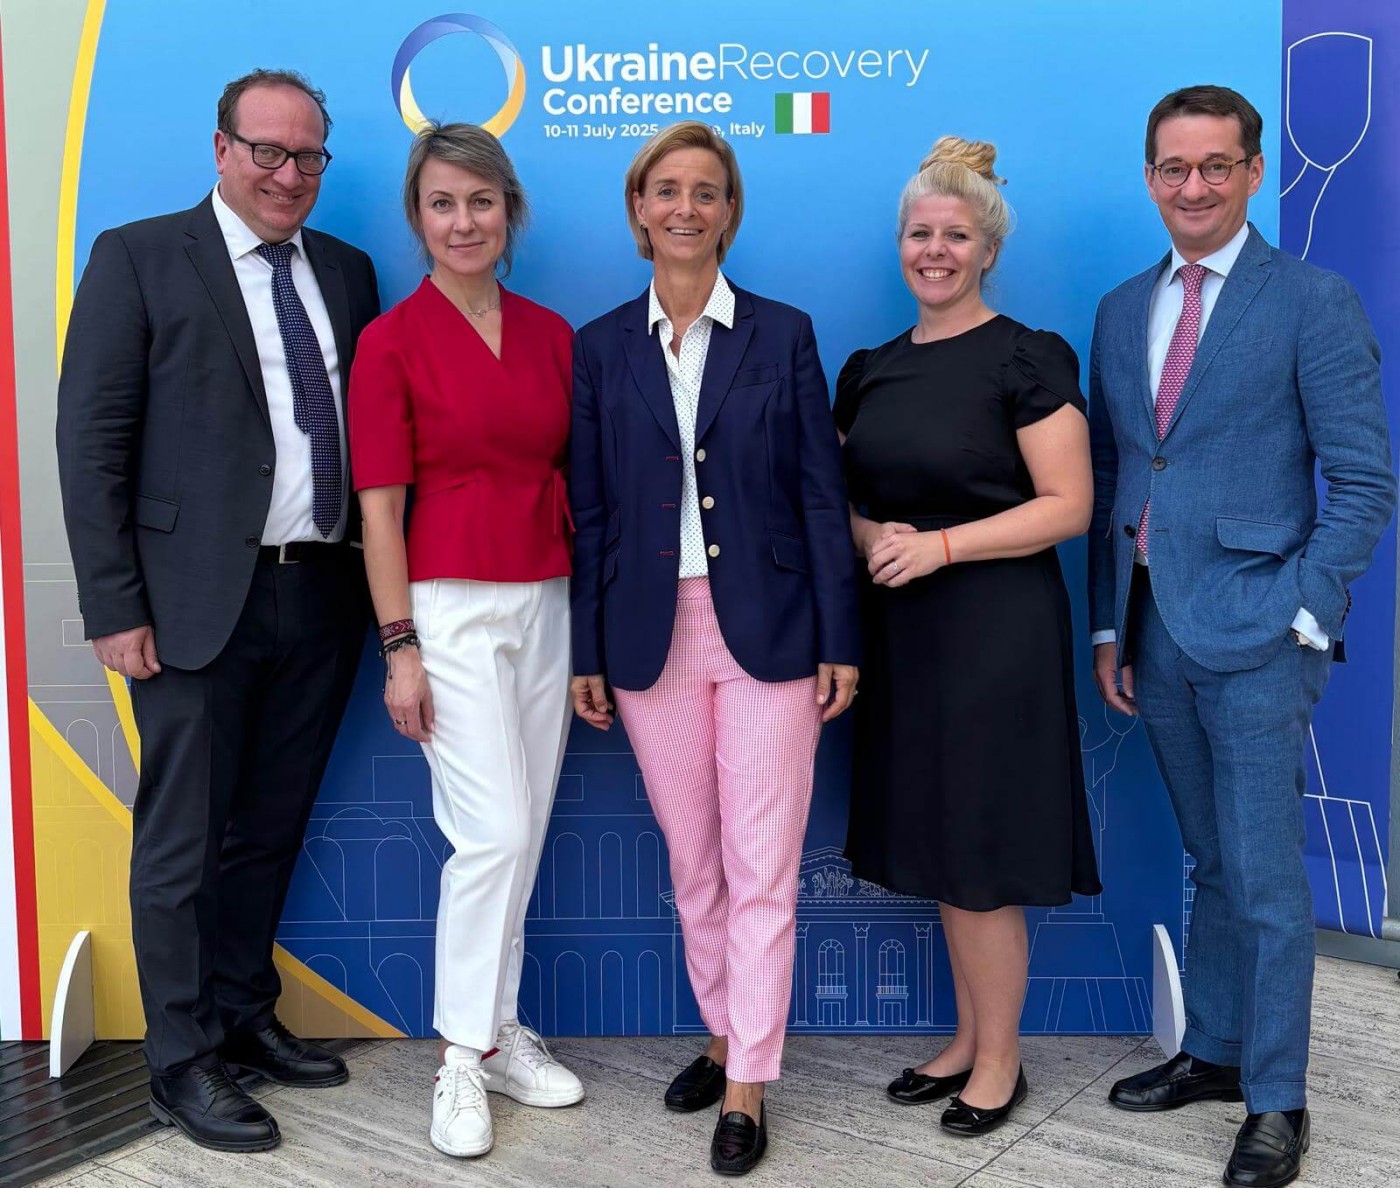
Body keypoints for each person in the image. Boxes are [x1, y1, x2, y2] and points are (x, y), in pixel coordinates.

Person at [55, 71, 381, 1152]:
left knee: (271, 827)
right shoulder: (138, 257)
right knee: (183, 843)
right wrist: (112, 603)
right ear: (221, 149)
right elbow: (91, 441)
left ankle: (242, 1015)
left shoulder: (346, 271)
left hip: (321, 593)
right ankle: (180, 1062)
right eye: (269, 153)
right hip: (189, 608)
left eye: (309, 158)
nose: (289, 176)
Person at [1089, 86, 1394, 1188]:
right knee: (1209, 863)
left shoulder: (1310, 301)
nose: (1193, 186)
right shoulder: (1123, 309)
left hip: (1263, 628)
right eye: (1172, 168)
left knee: (1266, 881)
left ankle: (1276, 1100)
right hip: (1153, 633)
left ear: (1252, 171)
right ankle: (1212, 1054)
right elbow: (1122, 478)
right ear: (1148, 177)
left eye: (1215, 165)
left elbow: (1362, 482)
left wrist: (1304, 608)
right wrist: (1104, 629)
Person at [569, 121, 859, 1176]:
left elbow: (820, 497)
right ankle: (721, 1028)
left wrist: (839, 633)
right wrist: (586, 650)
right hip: (648, 638)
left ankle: (747, 1084)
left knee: (760, 865)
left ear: (728, 210)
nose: (685, 207)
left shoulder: (780, 333)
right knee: (694, 866)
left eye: (706, 190)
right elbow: (590, 512)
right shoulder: (599, 346)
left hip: (771, 633)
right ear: (638, 208)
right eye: (665, 190)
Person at [838, 136, 1102, 1137]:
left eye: (955, 235)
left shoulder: (1026, 356)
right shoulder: (870, 370)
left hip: (996, 635)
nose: (934, 250)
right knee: (942, 841)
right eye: (919, 233)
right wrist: (875, 539)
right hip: (905, 635)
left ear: (986, 249)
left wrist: (940, 548)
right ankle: (962, 1038)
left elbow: (1066, 504)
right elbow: (842, 501)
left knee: (982, 851)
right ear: (898, 244)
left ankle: (999, 1061)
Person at [348, 122, 583, 1161]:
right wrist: (399, 645)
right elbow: (380, 514)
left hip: (544, 597)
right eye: (442, 204)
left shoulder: (549, 335)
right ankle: (457, 1055)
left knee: (522, 829)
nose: (462, 221)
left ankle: (498, 1035)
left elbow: (572, 475)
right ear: (417, 217)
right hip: (442, 606)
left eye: (479, 202)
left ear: (508, 210)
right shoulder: (389, 342)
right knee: (486, 833)